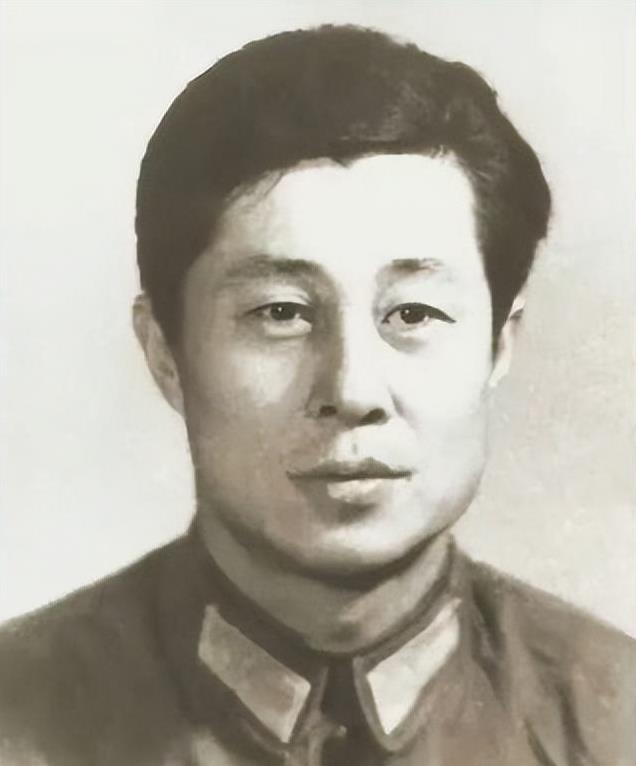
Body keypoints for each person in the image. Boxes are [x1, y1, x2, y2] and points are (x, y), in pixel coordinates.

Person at [0, 24, 633, 766]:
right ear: (166, 353)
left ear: (499, 345)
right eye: (282, 313)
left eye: (413, 313)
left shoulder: (615, 723)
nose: (353, 391)